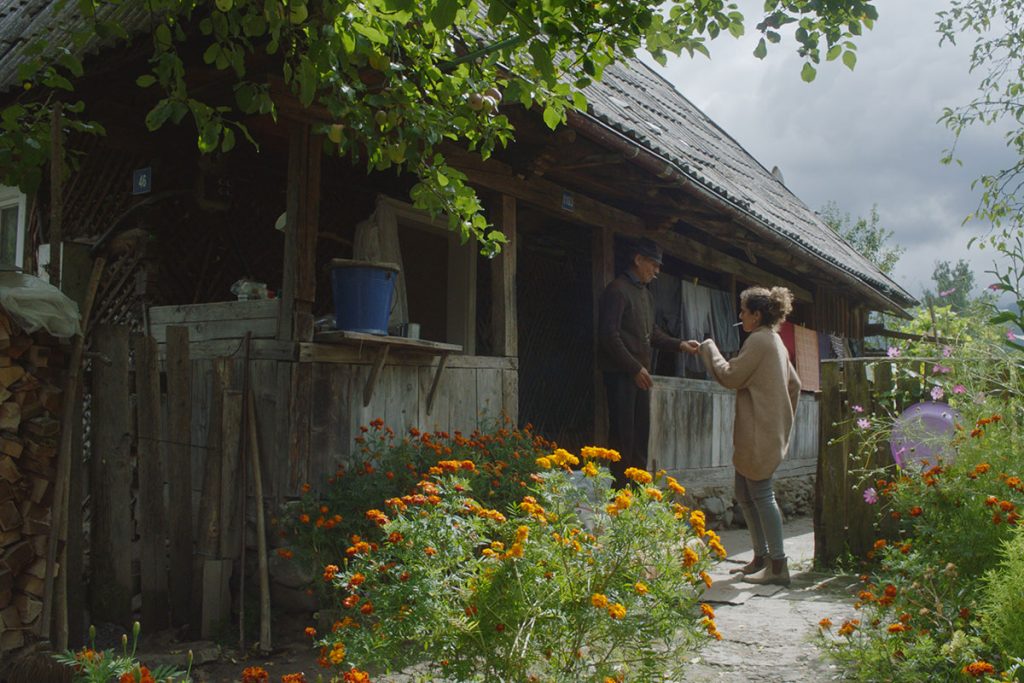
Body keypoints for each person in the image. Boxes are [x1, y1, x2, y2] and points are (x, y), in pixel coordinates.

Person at [683, 286, 801, 586]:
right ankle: (761, 558)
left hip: (758, 431)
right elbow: (795, 385)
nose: (739, 316)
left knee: (761, 493)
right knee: (745, 493)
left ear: (756, 314)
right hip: (764, 429)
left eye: (743, 311)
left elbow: (731, 375)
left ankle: (778, 565)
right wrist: (782, 417)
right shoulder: (776, 342)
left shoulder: (759, 340)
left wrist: (709, 348)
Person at [598, 237, 689, 486]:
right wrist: (634, 367)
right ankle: (619, 493)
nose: (657, 271)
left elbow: (653, 333)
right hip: (620, 375)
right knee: (622, 437)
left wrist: (680, 344)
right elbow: (609, 335)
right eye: (653, 264)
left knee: (640, 437)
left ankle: (637, 493)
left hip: (639, 376)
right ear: (638, 260)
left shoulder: (646, 295)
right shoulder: (616, 290)